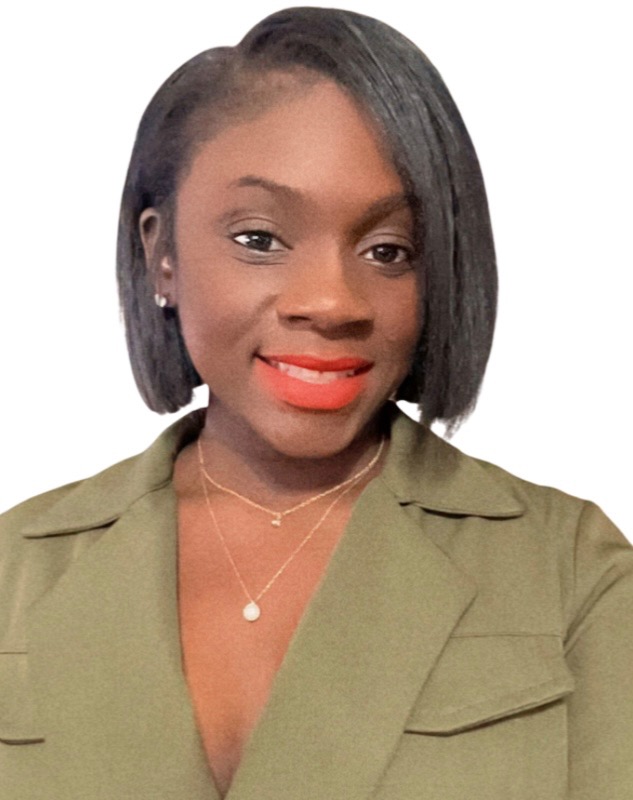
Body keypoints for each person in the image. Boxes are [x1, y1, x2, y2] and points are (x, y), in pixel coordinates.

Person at [1, 7, 631, 799]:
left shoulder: (570, 573)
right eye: (259, 239)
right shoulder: (13, 569)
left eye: (388, 250)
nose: (332, 302)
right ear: (161, 255)